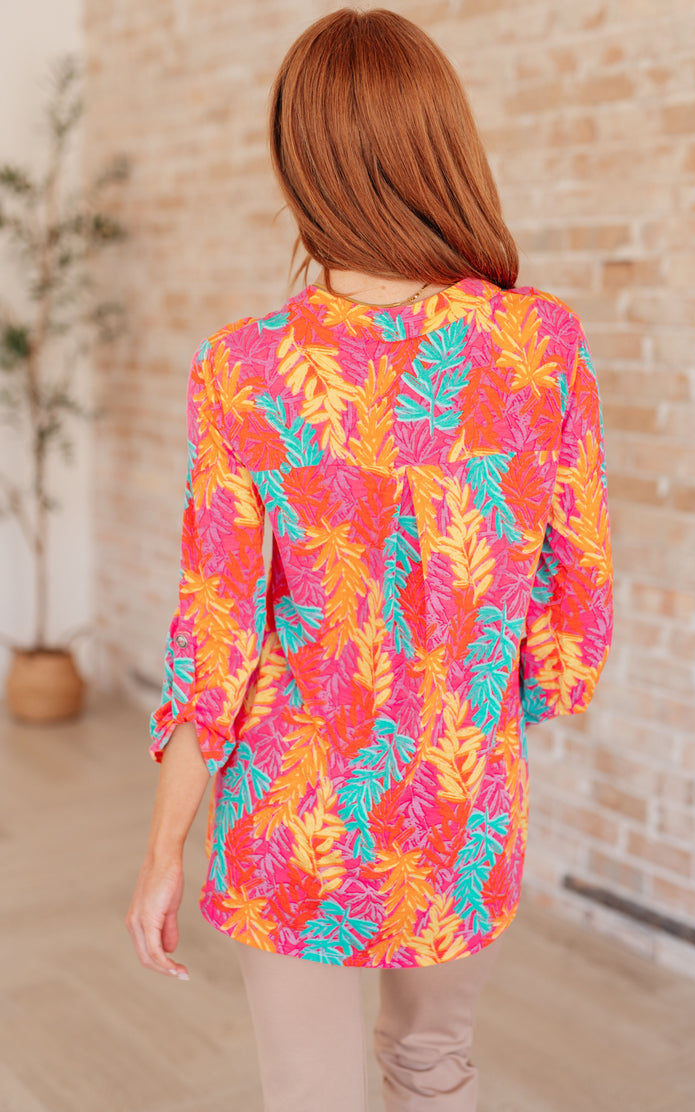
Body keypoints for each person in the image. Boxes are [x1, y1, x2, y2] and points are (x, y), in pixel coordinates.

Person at [126, 8, 614, 1111]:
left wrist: (162, 853)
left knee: (308, 1095)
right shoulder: (538, 347)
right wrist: (482, 700)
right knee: (433, 1066)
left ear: (299, 162)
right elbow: (573, 606)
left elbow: (215, 637)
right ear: (440, 148)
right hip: (460, 801)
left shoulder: (246, 369)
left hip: (290, 817)